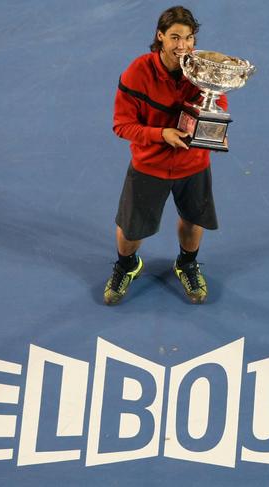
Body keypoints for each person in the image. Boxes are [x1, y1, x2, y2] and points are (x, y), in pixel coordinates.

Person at [103, 5, 227, 305]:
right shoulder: (137, 72)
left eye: (188, 38)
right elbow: (122, 126)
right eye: (174, 37)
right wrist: (162, 135)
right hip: (150, 166)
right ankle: (127, 265)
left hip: (193, 164)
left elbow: (218, 104)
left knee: (192, 220)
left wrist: (213, 116)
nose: (182, 46)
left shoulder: (203, 70)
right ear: (160, 37)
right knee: (131, 230)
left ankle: (187, 263)